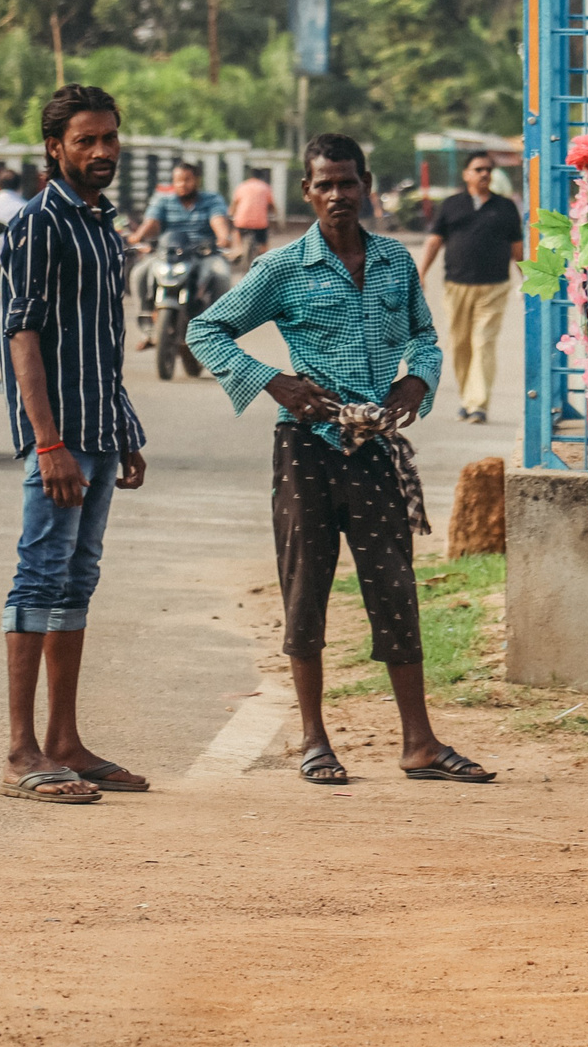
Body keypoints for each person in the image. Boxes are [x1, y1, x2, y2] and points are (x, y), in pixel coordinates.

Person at [188, 134, 491, 786]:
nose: (336, 195)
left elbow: (425, 336)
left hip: (375, 446)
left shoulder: (394, 263)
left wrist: (419, 381)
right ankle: (314, 739)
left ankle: (419, 742)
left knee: (395, 589)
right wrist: (276, 383)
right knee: (307, 590)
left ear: (366, 185)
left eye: (347, 182)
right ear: (306, 192)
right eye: (323, 184)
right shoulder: (282, 268)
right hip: (308, 450)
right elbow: (204, 330)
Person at [0, 85, 150, 803]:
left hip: (99, 433)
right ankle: (21, 751)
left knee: (76, 581)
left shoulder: (99, 225)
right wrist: (46, 440)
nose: (101, 152)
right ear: (54, 147)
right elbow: (22, 333)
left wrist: (126, 430)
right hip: (58, 441)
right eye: (86, 140)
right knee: (38, 577)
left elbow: (102, 344)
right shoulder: (38, 223)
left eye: (110, 138)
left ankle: (65, 741)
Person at [418, 151, 524, 424]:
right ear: (466, 174)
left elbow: (517, 248)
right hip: (457, 286)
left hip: (494, 287)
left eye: (488, 169)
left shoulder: (506, 208)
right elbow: (434, 241)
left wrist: (527, 280)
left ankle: (478, 404)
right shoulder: (452, 205)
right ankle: (468, 398)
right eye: (478, 169)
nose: (484, 174)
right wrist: (421, 272)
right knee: (461, 345)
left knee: (483, 342)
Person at [127, 160, 232, 350]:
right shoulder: (163, 199)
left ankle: (215, 329)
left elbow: (218, 221)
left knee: (222, 275)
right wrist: (138, 236)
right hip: (167, 253)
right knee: (139, 273)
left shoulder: (212, 199)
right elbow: (152, 222)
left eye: (187, 180)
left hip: (203, 253)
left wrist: (223, 237)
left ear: (197, 180)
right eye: (177, 180)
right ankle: (148, 327)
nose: (182, 185)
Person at [229, 167, 275, 264]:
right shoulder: (265, 187)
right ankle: (264, 256)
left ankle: (238, 250)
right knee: (263, 241)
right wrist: (273, 213)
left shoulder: (242, 186)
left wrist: (231, 213)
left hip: (242, 221)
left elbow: (235, 203)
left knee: (235, 232)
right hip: (260, 222)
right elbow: (271, 205)